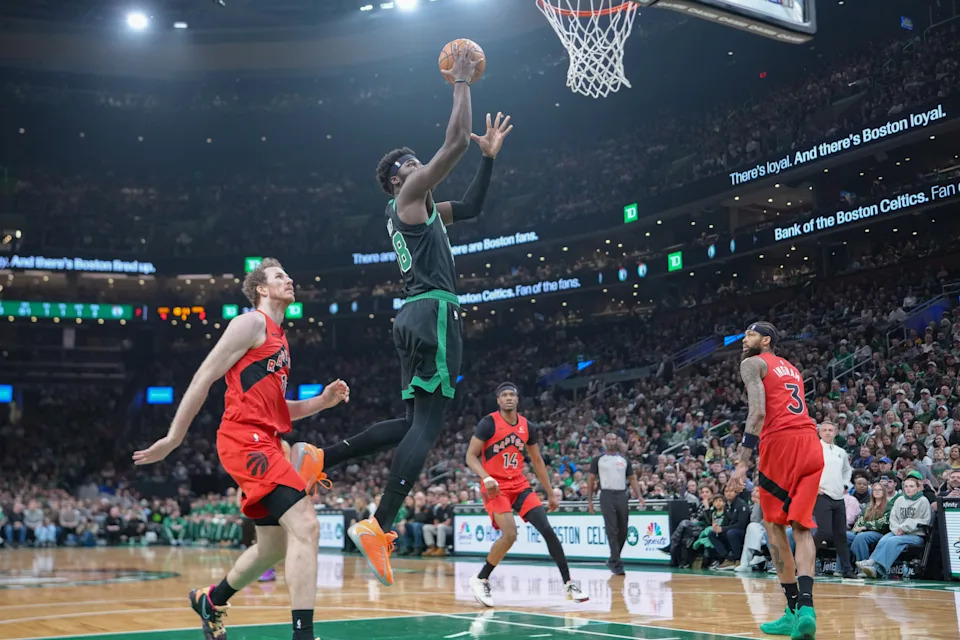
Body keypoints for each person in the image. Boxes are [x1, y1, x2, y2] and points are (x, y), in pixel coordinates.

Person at [292, 46, 514, 587]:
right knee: (431, 426)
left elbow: (477, 207)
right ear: (398, 179)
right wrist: (461, 82)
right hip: (433, 312)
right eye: (412, 163)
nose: (421, 167)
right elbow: (455, 141)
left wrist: (488, 157)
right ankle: (380, 523)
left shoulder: (427, 208)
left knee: (412, 424)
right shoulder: (411, 195)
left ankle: (324, 459)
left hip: (414, 315)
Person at [133, 258, 350, 640]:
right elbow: (204, 375)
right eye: (280, 276)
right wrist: (174, 437)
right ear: (261, 289)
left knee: (272, 548)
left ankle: (211, 600)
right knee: (307, 526)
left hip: (265, 439)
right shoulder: (250, 323)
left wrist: (322, 401)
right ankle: (303, 634)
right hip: (244, 439)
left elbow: (280, 409)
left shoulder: (280, 340)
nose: (290, 279)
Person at [730, 322, 823, 640]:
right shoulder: (791, 367)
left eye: (750, 335)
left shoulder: (751, 363)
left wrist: (742, 464)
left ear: (765, 340)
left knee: (773, 527)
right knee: (802, 527)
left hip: (781, 445)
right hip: (811, 444)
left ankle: (794, 608)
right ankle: (806, 608)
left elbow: (757, 413)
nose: (744, 340)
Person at [464, 382, 588, 607]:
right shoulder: (488, 423)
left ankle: (569, 584)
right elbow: (470, 457)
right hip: (495, 487)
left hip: (519, 485)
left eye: (513, 394)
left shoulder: (527, 426)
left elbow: (537, 460)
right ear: (498, 400)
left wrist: (550, 492)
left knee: (547, 529)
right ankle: (481, 578)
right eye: (505, 395)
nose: (509, 398)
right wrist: (486, 477)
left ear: (518, 399)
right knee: (510, 535)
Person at [586, 432, 643, 575]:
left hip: (622, 494)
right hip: (606, 494)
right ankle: (617, 563)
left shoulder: (624, 460)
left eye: (614, 439)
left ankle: (613, 558)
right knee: (612, 529)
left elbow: (632, 478)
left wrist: (639, 495)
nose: (611, 441)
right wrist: (590, 500)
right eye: (609, 439)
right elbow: (591, 480)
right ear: (605, 441)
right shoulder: (598, 459)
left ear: (617, 441)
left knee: (623, 529)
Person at [856, 473, 931, 578]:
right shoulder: (899, 500)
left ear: (918, 488)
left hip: (915, 535)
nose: (908, 489)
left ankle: (878, 569)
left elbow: (924, 520)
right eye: (906, 486)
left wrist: (904, 528)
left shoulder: (923, 501)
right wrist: (896, 530)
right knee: (884, 539)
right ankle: (871, 563)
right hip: (897, 532)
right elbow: (893, 518)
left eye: (911, 486)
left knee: (892, 541)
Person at [814, 421, 856, 578]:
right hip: (822, 495)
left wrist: (845, 483)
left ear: (836, 432)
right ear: (819, 432)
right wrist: (813, 486)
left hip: (838, 497)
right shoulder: (814, 449)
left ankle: (847, 570)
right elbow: (804, 470)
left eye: (830, 430)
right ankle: (805, 562)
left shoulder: (840, 452)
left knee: (841, 535)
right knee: (823, 531)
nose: (827, 432)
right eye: (824, 430)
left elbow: (847, 470)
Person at [847, 482, 890, 563]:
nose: (877, 492)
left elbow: (884, 522)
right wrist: (857, 528)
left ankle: (863, 566)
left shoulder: (889, 505)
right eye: (875, 490)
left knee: (861, 537)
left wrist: (866, 526)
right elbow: (860, 519)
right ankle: (842, 568)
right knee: (845, 536)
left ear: (884, 492)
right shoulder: (868, 505)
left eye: (880, 490)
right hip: (862, 531)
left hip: (879, 533)